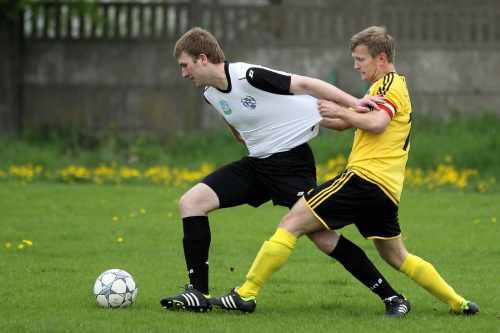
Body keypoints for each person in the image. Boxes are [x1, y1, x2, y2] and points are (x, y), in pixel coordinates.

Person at [213, 26, 479, 316]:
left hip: (364, 180)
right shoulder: (380, 89)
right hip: (386, 191)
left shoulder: (391, 84)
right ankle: (459, 303)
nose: (355, 65)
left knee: (291, 222)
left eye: (360, 59)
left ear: (381, 58)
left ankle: (245, 294)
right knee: (397, 255)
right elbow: (345, 124)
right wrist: (294, 114)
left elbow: (376, 123)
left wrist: (341, 111)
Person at [160, 27, 410, 316]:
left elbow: (307, 84)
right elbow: (239, 129)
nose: (183, 73)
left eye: (185, 65)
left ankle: (392, 298)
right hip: (256, 164)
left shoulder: (247, 75)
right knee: (191, 203)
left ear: (202, 59)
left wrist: (354, 103)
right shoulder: (210, 95)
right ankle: (197, 293)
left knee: (323, 238)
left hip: (291, 164)